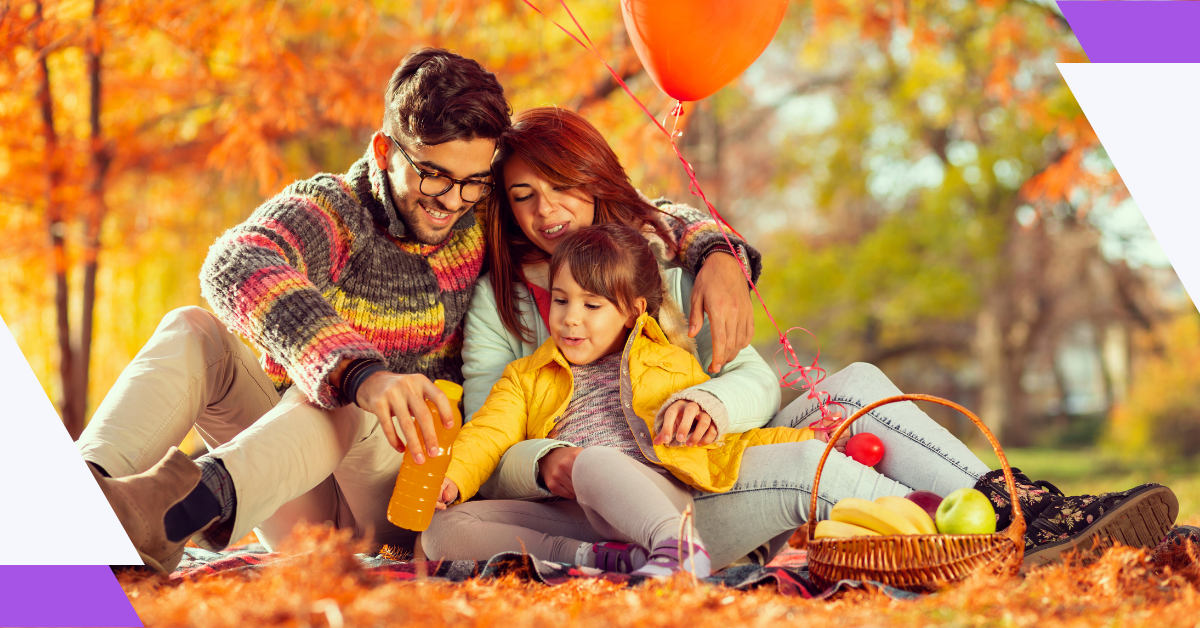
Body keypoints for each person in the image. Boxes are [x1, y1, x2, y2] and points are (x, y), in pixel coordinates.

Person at [79, 50, 759, 574]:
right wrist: (361, 371)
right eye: (433, 174)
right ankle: (84, 497)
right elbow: (236, 263)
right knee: (194, 331)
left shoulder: (491, 207)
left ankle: (177, 510)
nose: (451, 201)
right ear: (385, 151)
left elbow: (628, 216)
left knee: (343, 397)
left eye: (472, 181)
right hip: (294, 484)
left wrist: (718, 250)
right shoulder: (337, 209)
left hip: (409, 500)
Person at [445, 106, 1180, 572]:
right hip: (631, 499)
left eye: (563, 186)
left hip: (713, 452)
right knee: (809, 466)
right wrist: (557, 461)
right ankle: (982, 543)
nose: (548, 211)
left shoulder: (653, 266)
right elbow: (491, 439)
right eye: (523, 196)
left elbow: (756, 382)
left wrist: (711, 397)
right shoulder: (500, 305)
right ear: (505, 209)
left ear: (594, 179)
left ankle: (1031, 511)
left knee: (856, 383)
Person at [426, 224, 818, 578]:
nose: (570, 319)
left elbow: (727, 444)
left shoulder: (667, 363)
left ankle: (676, 546)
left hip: (656, 501)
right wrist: (453, 478)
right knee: (441, 531)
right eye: (561, 301)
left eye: (591, 305)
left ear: (633, 311)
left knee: (594, 459)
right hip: (579, 515)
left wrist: (802, 440)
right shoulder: (526, 376)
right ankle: (597, 558)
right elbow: (487, 433)